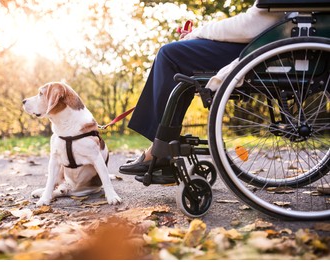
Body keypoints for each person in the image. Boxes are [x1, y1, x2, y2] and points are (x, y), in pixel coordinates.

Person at [119, 1, 286, 175]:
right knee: (175, 54)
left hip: (256, 49)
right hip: (267, 44)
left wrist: (197, 34)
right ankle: (162, 146)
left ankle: (160, 149)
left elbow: (249, 26)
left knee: (169, 54)